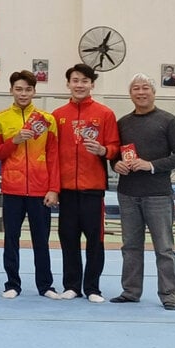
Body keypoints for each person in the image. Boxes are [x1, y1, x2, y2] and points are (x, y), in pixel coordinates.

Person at [110, 73, 175, 311]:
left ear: (154, 92)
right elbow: (114, 153)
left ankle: (170, 294)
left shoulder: (169, 120)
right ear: (130, 93)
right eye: (136, 88)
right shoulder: (122, 123)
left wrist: (150, 165)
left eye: (145, 88)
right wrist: (115, 165)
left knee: (164, 248)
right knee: (130, 246)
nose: (141, 92)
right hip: (127, 193)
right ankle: (131, 291)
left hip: (158, 195)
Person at [52, 63, 120, 303]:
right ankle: (71, 285)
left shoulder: (105, 114)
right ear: (68, 84)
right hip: (67, 190)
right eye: (75, 80)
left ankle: (92, 287)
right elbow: (52, 155)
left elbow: (115, 148)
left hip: (93, 189)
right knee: (68, 238)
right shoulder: (58, 116)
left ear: (92, 84)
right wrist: (54, 187)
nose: (79, 85)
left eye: (84, 81)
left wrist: (103, 149)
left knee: (95, 240)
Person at [0, 70, 60, 300]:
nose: (23, 93)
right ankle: (12, 284)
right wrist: (15, 141)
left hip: (41, 190)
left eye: (28, 89)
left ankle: (45, 285)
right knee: (11, 239)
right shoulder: (0, 119)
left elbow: (53, 156)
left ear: (34, 92)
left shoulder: (47, 120)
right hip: (12, 189)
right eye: (18, 89)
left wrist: (53, 188)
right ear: (11, 90)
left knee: (42, 240)